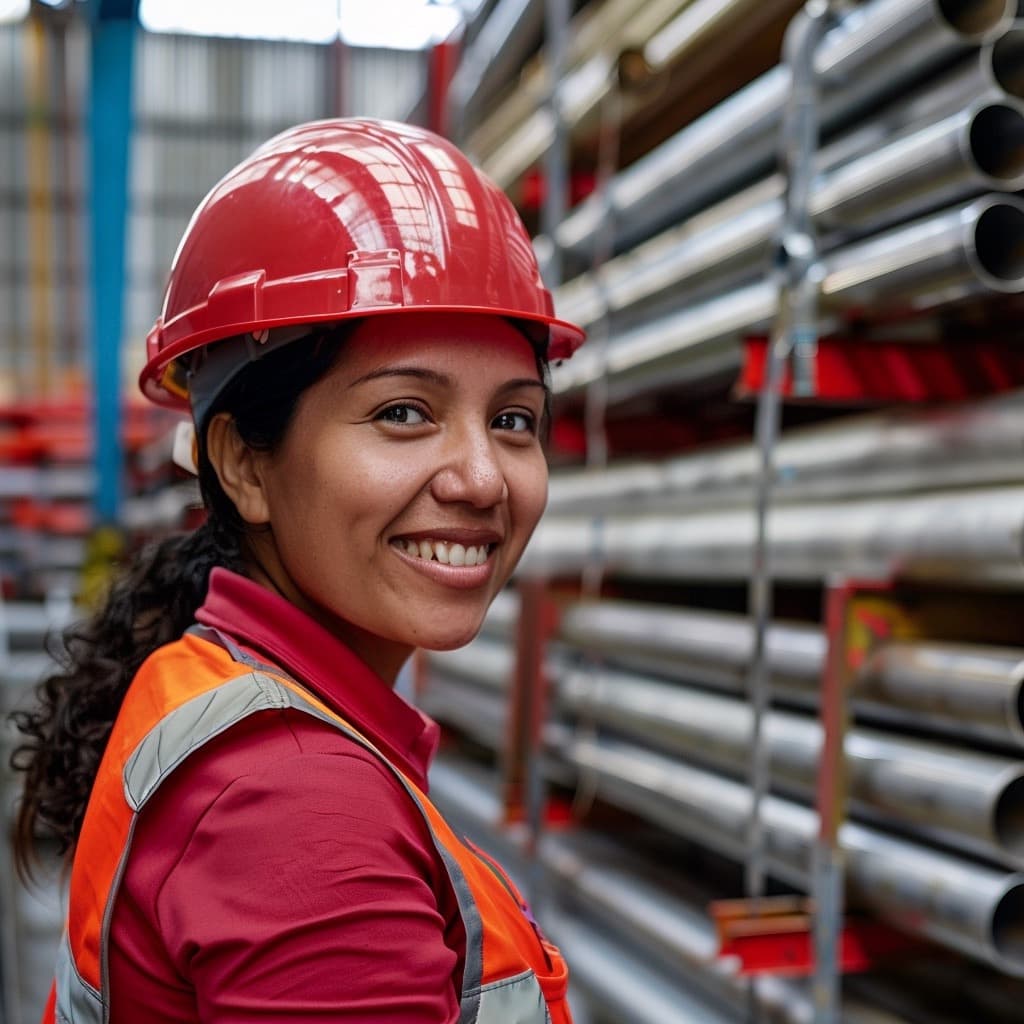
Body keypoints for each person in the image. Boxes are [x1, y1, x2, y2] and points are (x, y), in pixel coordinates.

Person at [11, 118, 585, 1024]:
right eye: (404, 412)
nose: (481, 478)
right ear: (243, 465)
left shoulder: (213, 680)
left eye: (513, 420)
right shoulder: (295, 810)